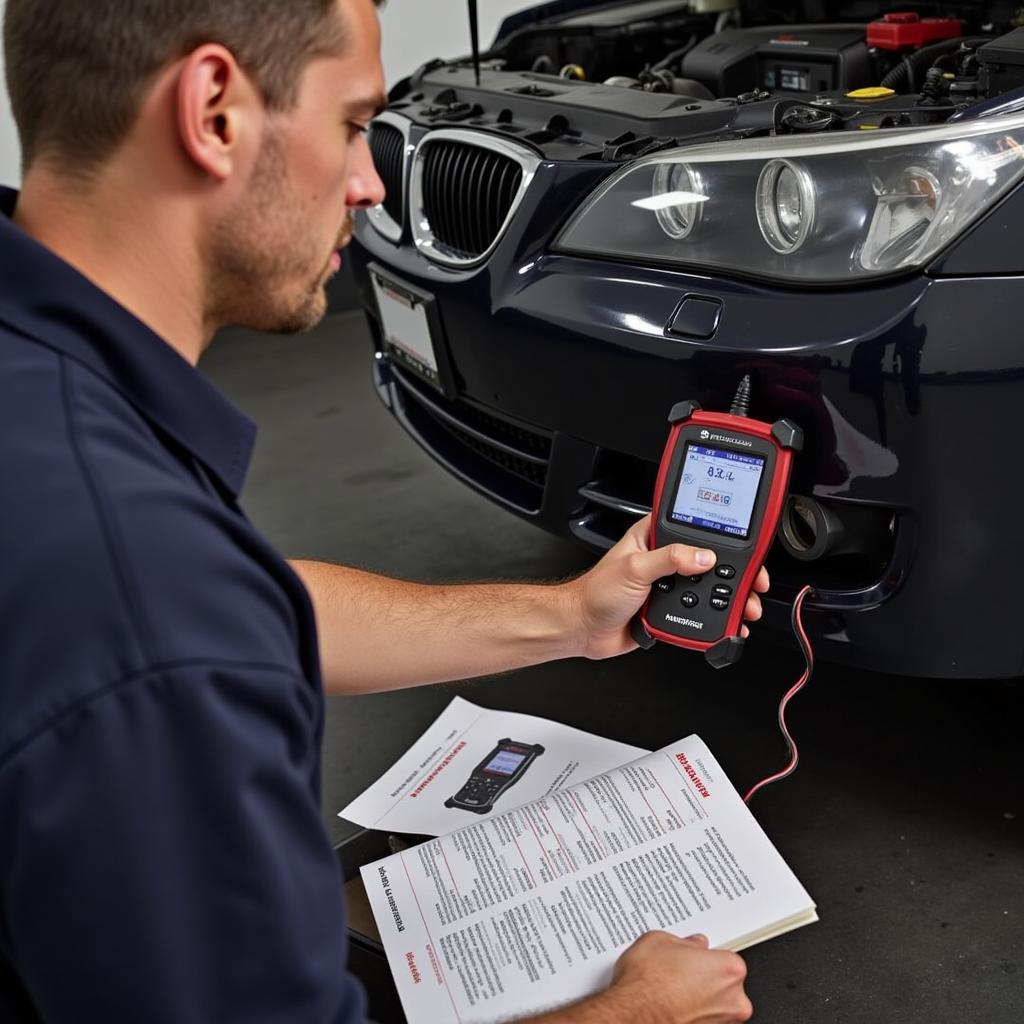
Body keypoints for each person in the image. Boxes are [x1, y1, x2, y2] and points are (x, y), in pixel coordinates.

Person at [0, 2, 766, 1021]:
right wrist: (634, 1012)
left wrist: (572, 615)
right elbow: (176, 636)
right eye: (354, 125)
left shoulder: (45, 396)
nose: (367, 183)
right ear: (214, 110)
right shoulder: (140, 591)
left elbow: (253, 615)